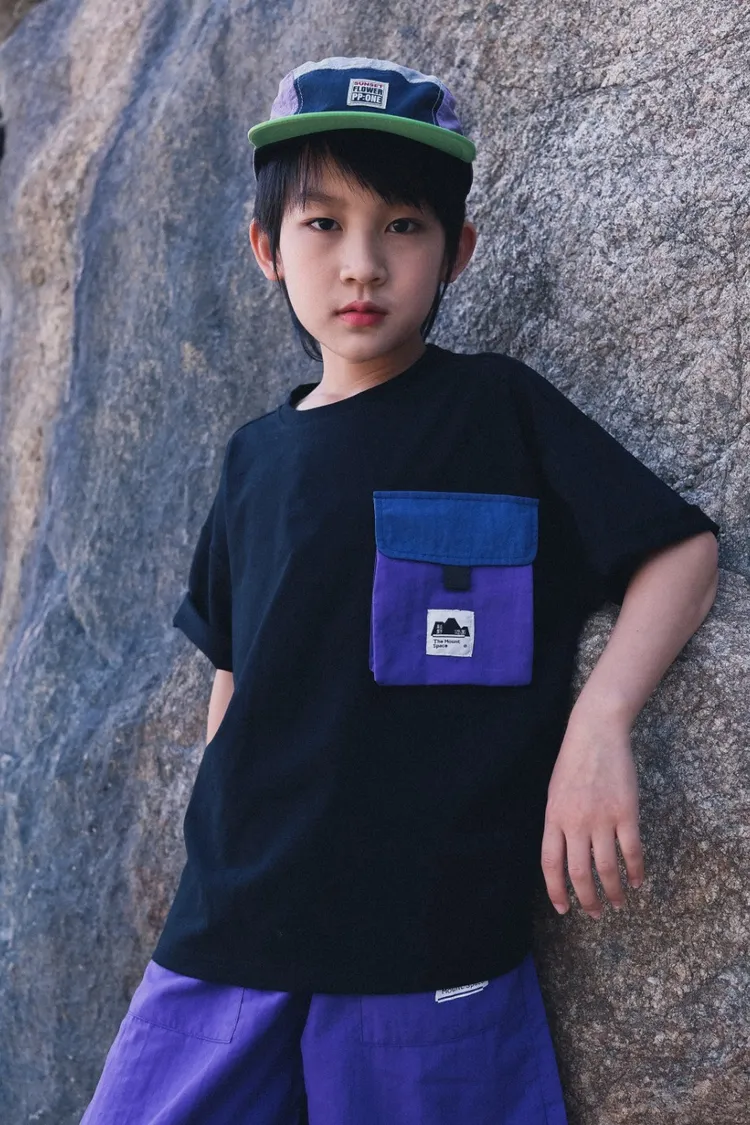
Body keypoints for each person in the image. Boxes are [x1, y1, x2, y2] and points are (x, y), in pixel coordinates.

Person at [80, 56, 720, 1125]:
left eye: (404, 225)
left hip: (430, 947)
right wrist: (213, 859)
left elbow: (682, 554)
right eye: (323, 225)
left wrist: (600, 724)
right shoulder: (254, 459)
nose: (363, 264)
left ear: (458, 249)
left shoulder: (498, 411)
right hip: (232, 938)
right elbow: (235, 675)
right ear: (265, 250)